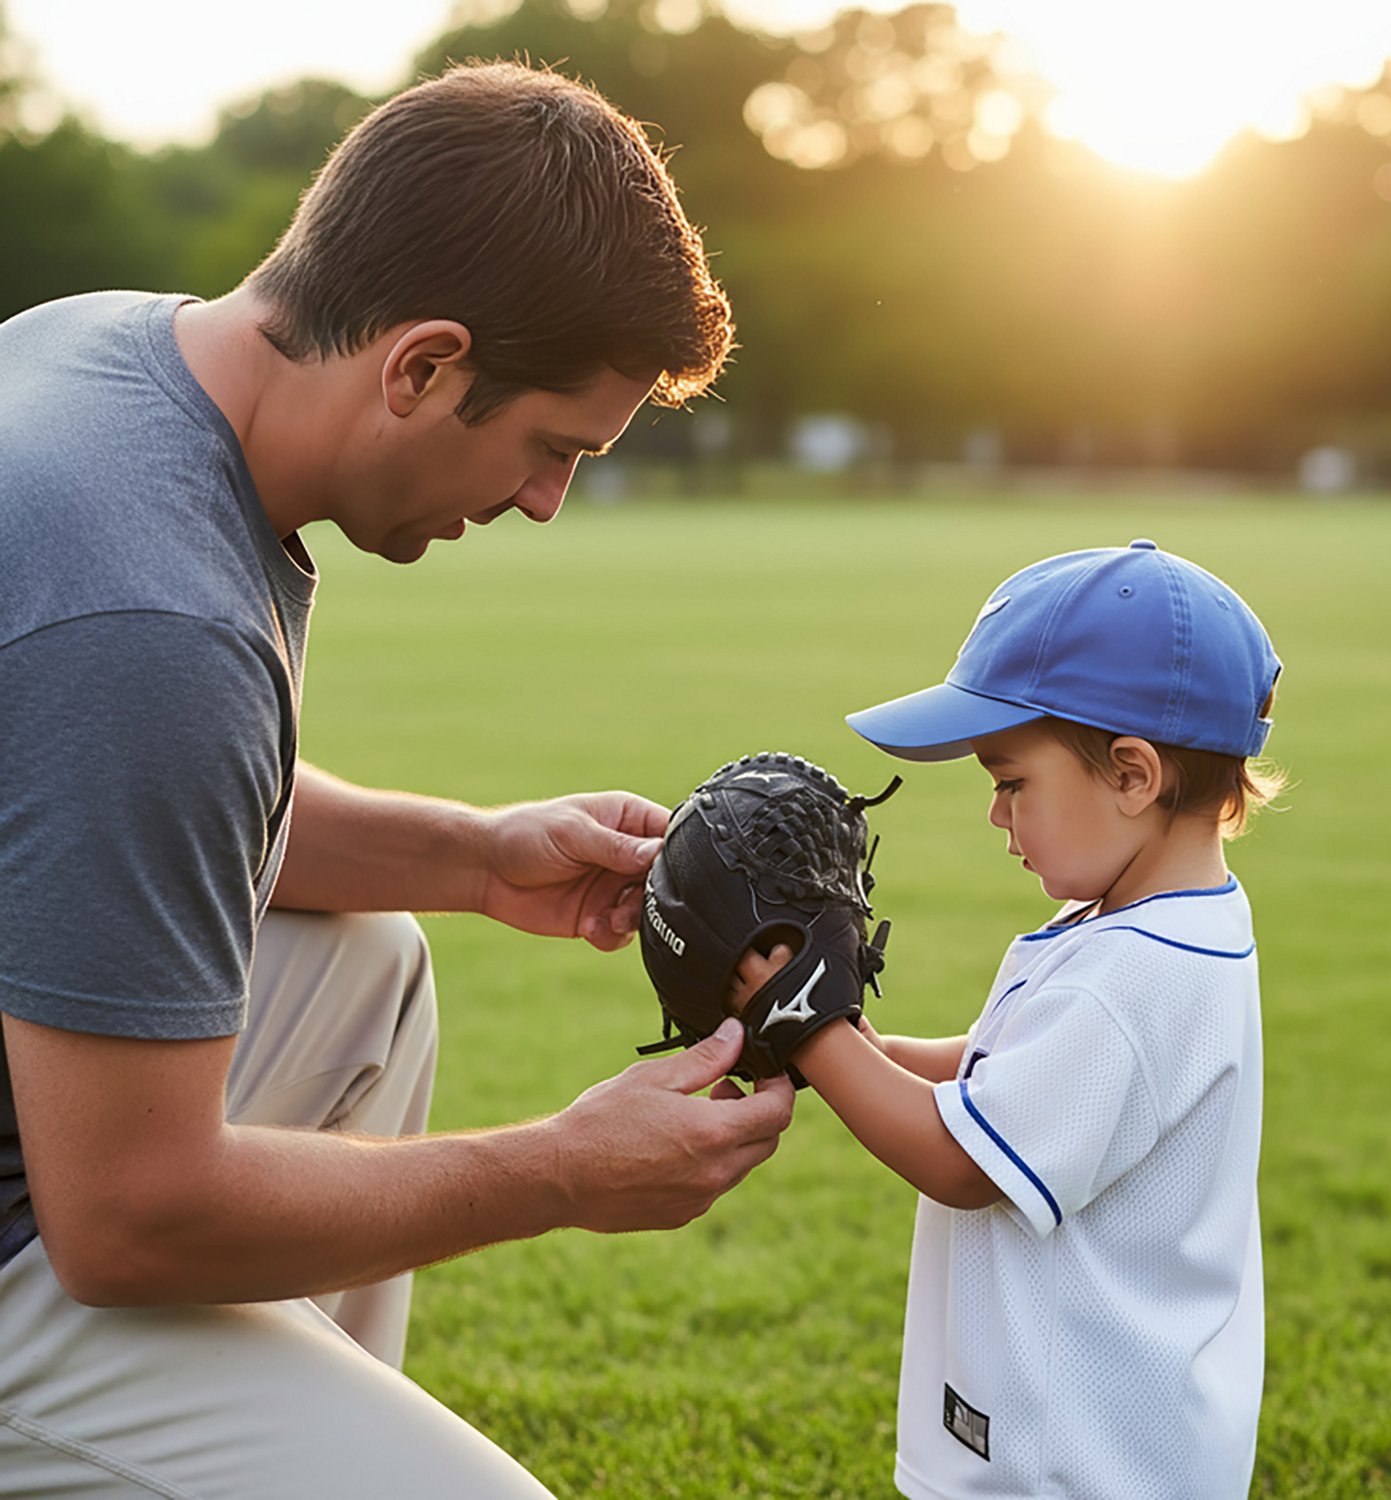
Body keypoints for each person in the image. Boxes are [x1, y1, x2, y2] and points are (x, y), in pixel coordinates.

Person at [0, 61, 794, 1498]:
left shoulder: (104, 352)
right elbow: (122, 1218)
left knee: (369, 960)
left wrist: (483, 858)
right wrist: (560, 1170)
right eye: (552, 447)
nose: (546, 502)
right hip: (62, 1217)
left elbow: (86, 816)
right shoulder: (152, 615)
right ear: (422, 364)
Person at [734, 539, 1285, 1499]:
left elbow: (960, 1162)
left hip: (1071, 1464)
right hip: (1124, 1442)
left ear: (1132, 774)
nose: (997, 816)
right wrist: (862, 1053)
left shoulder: (1125, 984)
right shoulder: (1167, 929)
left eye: (1010, 781)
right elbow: (1002, 1071)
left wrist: (807, 1027)